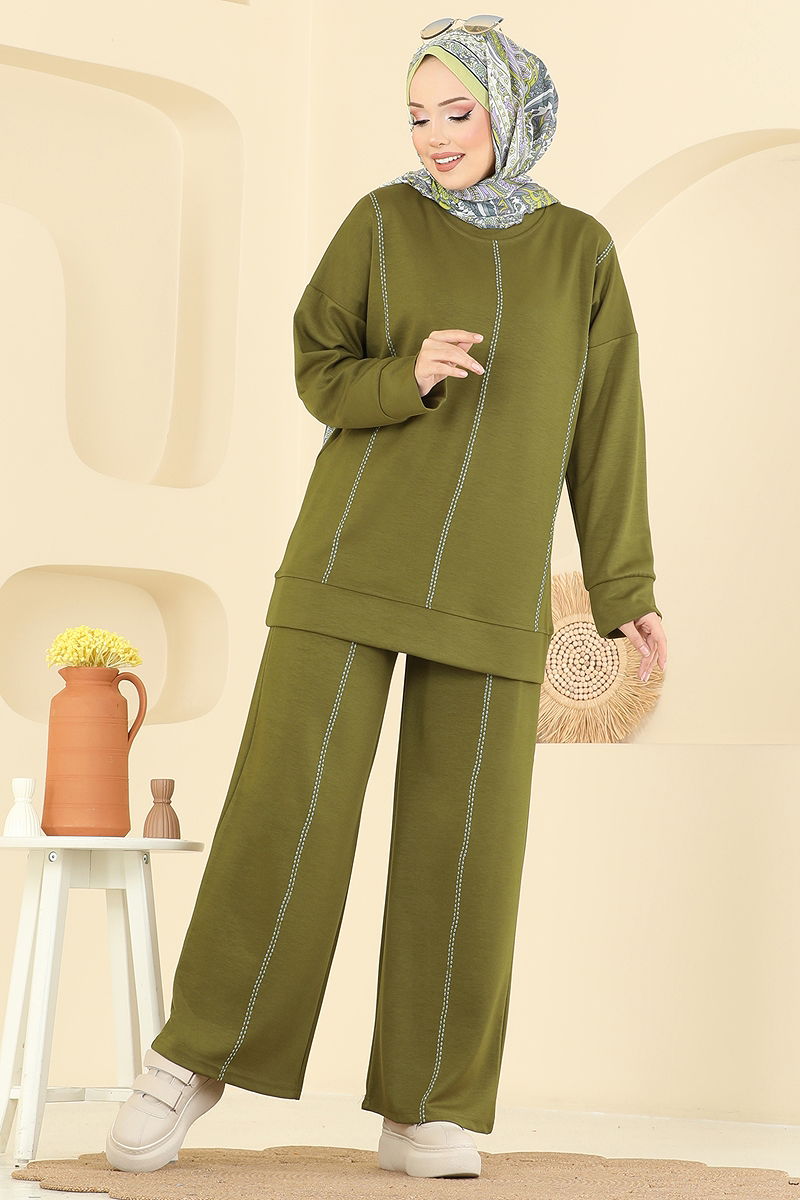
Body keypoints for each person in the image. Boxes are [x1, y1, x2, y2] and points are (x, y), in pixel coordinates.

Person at [105, 16, 667, 1181]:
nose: (434, 137)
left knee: (466, 848)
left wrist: (625, 586)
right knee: (285, 816)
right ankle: (189, 1062)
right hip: (351, 556)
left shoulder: (582, 252)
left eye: (456, 112)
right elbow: (318, 365)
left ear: (509, 112)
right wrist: (401, 375)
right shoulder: (378, 222)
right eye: (417, 115)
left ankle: (428, 1104)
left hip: (490, 585)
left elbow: (605, 424)